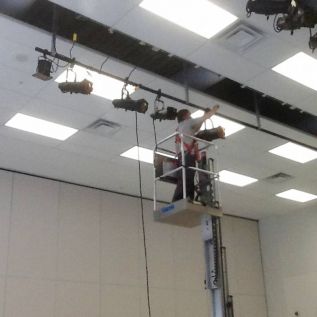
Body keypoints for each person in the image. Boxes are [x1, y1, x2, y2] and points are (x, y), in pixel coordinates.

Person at [172, 105, 225, 202]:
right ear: (185, 116)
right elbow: (204, 118)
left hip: (181, 157)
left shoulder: (180, 127)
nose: (191, 117)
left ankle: (187, 199)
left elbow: (196, 128)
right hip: (187, 157)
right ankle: (180, 200)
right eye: (189, 115)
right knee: (187, 179)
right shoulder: (187, 122)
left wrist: (203, 116)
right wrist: (214, 109)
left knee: (186, 179)